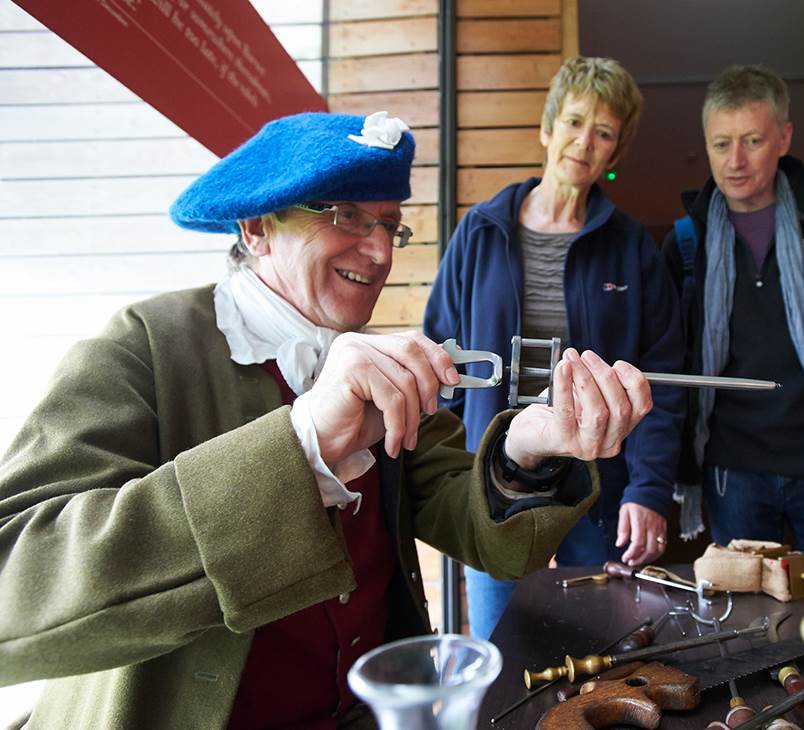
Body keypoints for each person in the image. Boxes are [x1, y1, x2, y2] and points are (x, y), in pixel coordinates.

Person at [0, 111, 655, 728]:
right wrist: (301, 444)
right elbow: (15, 590)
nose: (377, 253)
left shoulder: (381, 362)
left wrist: (524, 448)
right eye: (345, 216)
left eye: (389, 225)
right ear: (255, 227)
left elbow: (479, 531)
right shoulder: (141, 350)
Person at [423, 57, 685, 640]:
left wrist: (648, 490)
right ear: (547, 128)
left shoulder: (631, 248)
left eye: (604, 132)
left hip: (597, 492)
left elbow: (661, 379)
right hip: (498, 484)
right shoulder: (482, 231)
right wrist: (444, 478)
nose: (584, 142)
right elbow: (441, 360)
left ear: (614, 154)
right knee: (502, 654)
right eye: (573, 122)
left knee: (602, 657)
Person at [663, 64, 804, 557]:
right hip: (733, 469)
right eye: (720, 144)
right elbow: (673, 356)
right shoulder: (688, 240)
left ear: (784, 138)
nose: (736, 161)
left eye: (753, 140)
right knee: (752, 626)